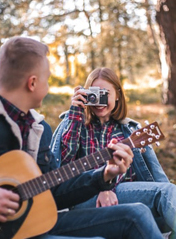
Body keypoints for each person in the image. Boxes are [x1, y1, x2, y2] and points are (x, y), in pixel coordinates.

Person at [0, 37, 164, 239]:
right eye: (47, 79)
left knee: (135, 215)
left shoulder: (40, 130)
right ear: (32, 83)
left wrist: (103, 176)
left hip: (28, 225)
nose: (48, 87)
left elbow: (54, 192)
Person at [51, 67, 176, 238]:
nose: (100, 101)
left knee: (168, 191)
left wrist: (109, 185)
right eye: (94, 94)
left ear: (117, 95)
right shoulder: (76, 123)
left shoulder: (128, 131)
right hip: (81, 198)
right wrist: (74, 114)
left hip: (122, 193)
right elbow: (63, 165)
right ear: (85, 94)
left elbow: (135, 176)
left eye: (105, 94)